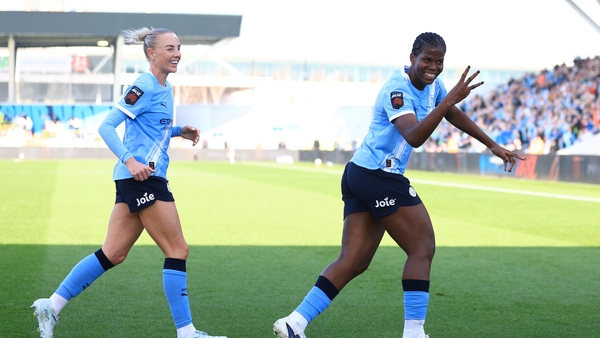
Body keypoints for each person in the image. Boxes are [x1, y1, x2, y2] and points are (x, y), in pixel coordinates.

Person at [272, 32, 526, 338]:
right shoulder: (398, 88)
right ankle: (414, 333)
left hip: (362, 173)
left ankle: (294, 322)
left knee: (353, 261)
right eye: (427, 60)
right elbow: (415, 137)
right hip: (378, 176)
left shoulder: (433, 87)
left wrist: (492, 145)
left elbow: (453, 114)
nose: (433, 66)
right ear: (412, 59)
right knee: (422, 246)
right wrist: (448, 99)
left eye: (439, 61)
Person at [31, 27, 226, 338]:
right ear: (151, 54)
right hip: (143, 179)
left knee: (112, 253)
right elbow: (107, 126)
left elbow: (150, 128)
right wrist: (129, 160)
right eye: (169, 48)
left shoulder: (166, 87)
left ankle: (51, 305)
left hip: (138, 180)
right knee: (178, 248)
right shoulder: (143, 84)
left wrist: (178, 131)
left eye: (178, 48)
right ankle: (187, 333)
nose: (176, 53)